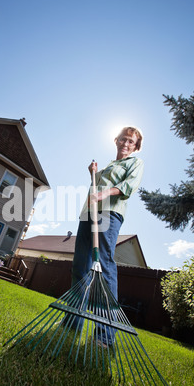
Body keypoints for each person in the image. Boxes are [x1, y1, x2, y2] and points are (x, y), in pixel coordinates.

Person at [69, 126, 144, 346]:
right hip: (88, 214)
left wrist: (103, 193)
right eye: (123, 139)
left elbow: (127, 187)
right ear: (116, 140)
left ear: (135, 146)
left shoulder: (135, 163)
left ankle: (104, 334)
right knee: (80, 267)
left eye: (131, 141)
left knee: (104, 267)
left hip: (109, 213)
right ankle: (72, 323)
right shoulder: (110, 165)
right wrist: (93, 173)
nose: (126, 143)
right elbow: (96, 187)